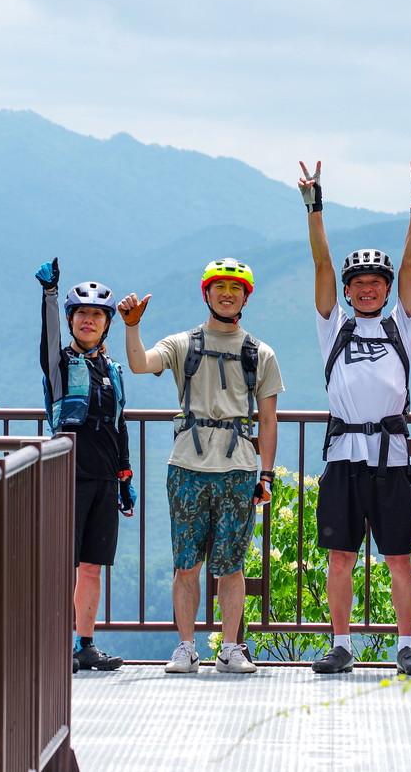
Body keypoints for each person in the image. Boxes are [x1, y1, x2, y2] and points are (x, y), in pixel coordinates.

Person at [118, 258, 283, 675]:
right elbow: (140, 364)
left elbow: (267, 420)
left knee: (231, 564)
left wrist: (266, 474)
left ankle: (230, 648)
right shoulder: (183, 344)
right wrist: (131, 327)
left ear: (246, 296)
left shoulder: (259, 353)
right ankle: (187, 647)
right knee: (187, 562)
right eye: (219, 287)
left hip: (240, 468)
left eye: (235, 288)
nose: (227, 294)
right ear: (206, 292)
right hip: (188, 466)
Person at [299, 159, 411, 676]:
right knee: (340, 558)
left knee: (400, 558)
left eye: (377, 281)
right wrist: (315, 208)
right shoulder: (334, 329)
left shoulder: (403, 326)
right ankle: (341, 645)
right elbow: (322, 268)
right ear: (350, 291)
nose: (370, 288)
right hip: (343, 458)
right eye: (361, 283)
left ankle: (406, 646)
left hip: (391, 458)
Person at [36, 258, 136, 672]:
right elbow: (47, 338)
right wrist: (49, 296)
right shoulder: (59, 364)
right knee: (62, 564)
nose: (89, 320)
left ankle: (84, 644)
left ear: (107, 323)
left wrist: (125, 476)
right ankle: (55, 644)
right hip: (68, 476)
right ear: (71, 320)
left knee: (91, 567)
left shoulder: (112, 369)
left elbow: (119, 425)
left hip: (104, 477)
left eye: (97, 314)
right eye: (82, 314)